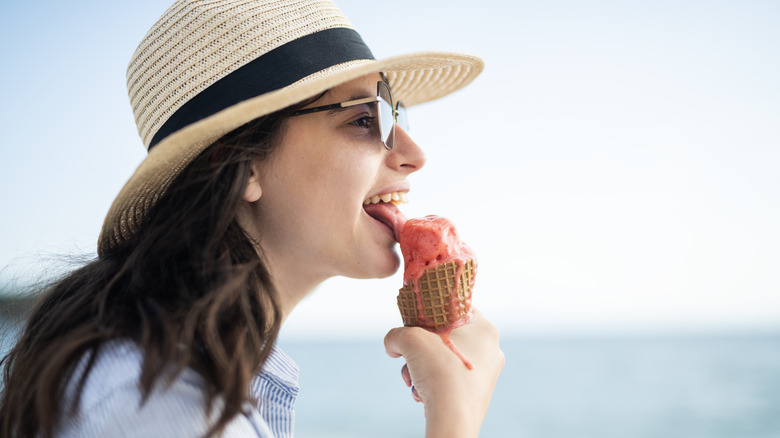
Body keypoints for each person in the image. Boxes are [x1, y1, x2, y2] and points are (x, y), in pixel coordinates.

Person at [0, 0, 504, 437]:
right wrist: (456, 413)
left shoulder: (206, 375)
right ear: (240, 165)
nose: (414, 153)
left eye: (399, 116)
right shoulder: (164, 405)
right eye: (365, 119)